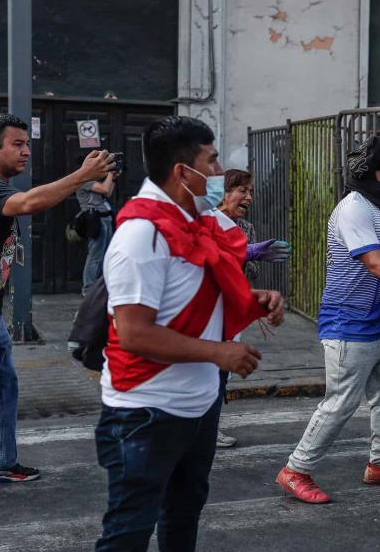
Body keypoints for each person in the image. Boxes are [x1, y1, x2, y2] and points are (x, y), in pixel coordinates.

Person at [95, 115, 284, 552]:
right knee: (129, 531)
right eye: (212, 161)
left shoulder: (195, 222)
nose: (219, 173)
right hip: (146, 412)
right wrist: (219, 353)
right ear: (183, 171)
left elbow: (189, 296)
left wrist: (253, 298)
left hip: (197, 406)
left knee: (184, 511)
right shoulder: (141, 236)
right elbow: (134, 334)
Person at [0, 113, 114, 504]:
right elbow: (32, 202)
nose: (27, 150)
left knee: (4, 384)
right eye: (17, 144)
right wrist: (82, 176)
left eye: (26, 143)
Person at [276, 136, 380, 504]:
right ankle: (295, 469)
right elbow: (374, 262)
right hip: (347, 326)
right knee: (340, 402)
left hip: (375, 326)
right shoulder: (354, 209)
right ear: (370, 171)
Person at [214, 168, 290, 448]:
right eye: (241, 190)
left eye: (251, 192)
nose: (248, 197)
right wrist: (243, 252)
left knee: (222, 372)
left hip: (232, 309)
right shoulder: (207, 221)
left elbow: (251, 274)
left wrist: (251, 255)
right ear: (224, 193)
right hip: (208, 311)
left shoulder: (245, 228)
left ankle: (211, 425)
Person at [75, 154, 118, 296]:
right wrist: (111, 173)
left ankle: (101, 286)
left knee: (106, 254)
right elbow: (105, 189)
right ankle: (88, 289)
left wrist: (114, 177)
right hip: (94, 219)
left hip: (105, 218)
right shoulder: (83, 180)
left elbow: (109, 191)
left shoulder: (95, 181)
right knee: (95, 256)